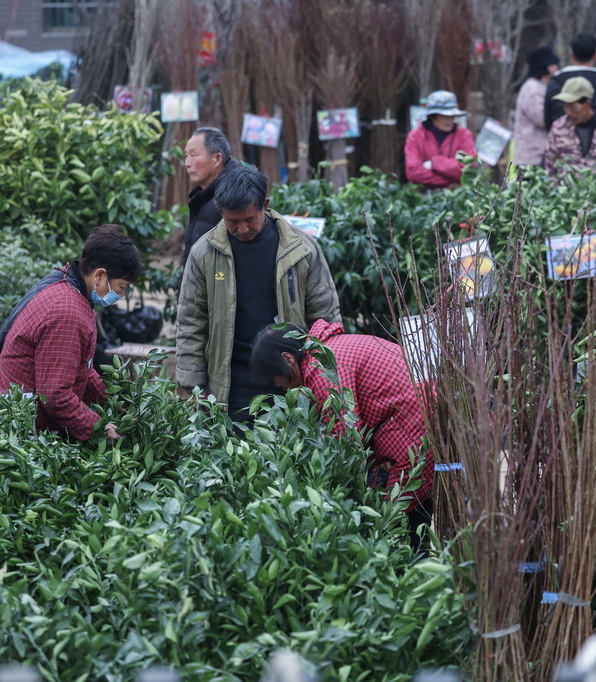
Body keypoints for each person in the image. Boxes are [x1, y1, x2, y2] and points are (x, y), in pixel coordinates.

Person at [176, 164, 341, 420]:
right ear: (221, 213)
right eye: (233, 221)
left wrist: (324, 377)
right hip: (229, 382)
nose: (242, 229)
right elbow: (190, 322)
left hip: (289, 375)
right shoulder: (204, 253)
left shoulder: (301, 250)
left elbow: (325, 318)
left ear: (264, 204)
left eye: (249, 219)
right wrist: (191, 384)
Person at [250, 320, 434, 545]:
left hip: (415, 432)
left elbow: (344, 442)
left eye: (274, 378)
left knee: (391, 519)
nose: (278, 385)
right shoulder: (328, 350)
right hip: (420, 424)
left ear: (288, 359)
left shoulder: (322, 368)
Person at [0, 224, 143, 441]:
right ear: (99, 275)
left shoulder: (68, 286)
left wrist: (116, 403)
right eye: (121, 286)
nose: (121, 294)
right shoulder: (68, 312)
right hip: (15, 426)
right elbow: (55, 396)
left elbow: (81, 370)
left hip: (18, 410)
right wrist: (98, 428)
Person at [181, 127, 241, 275]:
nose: (187, 163)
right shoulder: (203, 195)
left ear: (217, 159)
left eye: (193, 155)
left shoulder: (233, 196)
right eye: (186, 155)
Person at [544, 33, 596, 131]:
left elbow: (548, 121)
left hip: (563, 142)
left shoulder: (555, 82)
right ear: (595, 56)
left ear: (572, 55)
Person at [404, 90, 477, 190]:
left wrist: (434, 163)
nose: (450, 120)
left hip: (457, 197)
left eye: (453, 116)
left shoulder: (464, 135)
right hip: (423, 197)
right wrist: (448, 183)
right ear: (432, 116)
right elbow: (413, 173)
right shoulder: (415, 137)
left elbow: (468, 169)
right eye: (445, 116)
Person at [513, 46, 560, 166]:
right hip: (530, 159)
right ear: (545, 67)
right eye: (553, 64)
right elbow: (543, 119)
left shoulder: (543, 87)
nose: (557, 68)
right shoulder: (532, 89)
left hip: (540, 156)